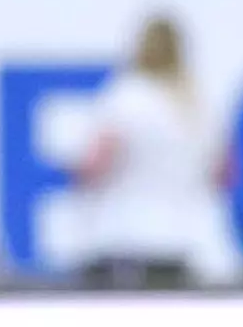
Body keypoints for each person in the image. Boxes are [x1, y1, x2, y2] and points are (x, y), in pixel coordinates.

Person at [75, 16, 218, 289]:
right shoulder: (197, 103)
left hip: (124, 239)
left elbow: (93, 166)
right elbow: (223, 173)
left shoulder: (127, 96)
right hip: (180, 241)